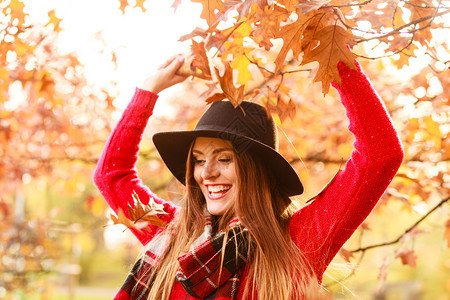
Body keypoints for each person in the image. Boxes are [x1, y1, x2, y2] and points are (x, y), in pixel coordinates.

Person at [93, 56, 404, 300]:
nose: (207, 173)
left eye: (224, 159)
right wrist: (146, 92)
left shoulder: (298, 240)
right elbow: (111, 176)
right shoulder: (173, 235)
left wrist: (333, 56)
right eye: (199, 161)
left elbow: (380, 156)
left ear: (257, 170)